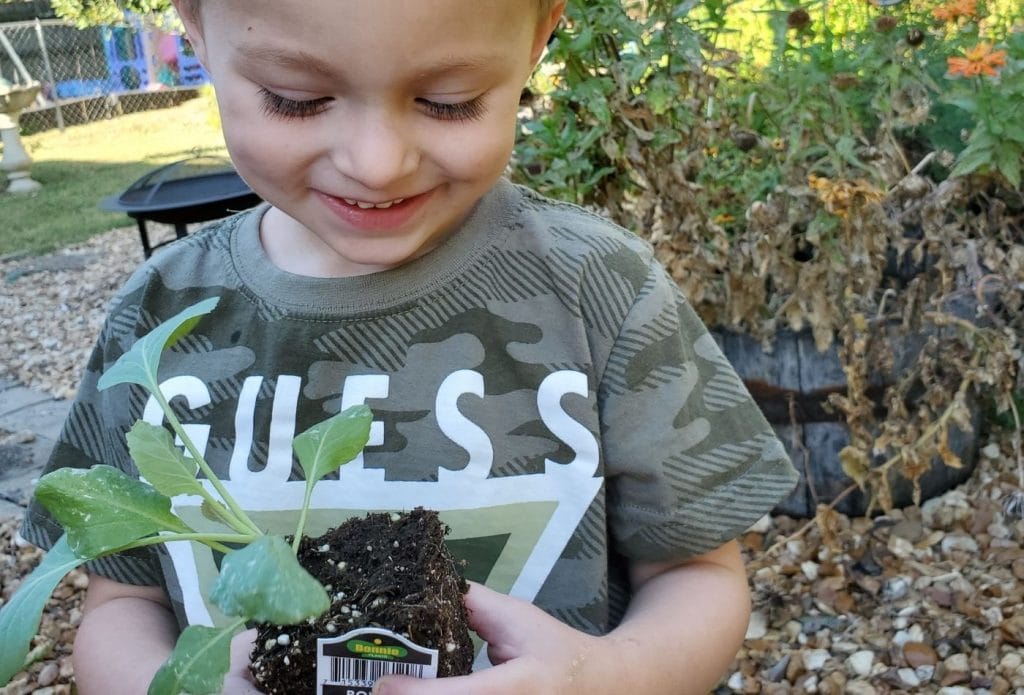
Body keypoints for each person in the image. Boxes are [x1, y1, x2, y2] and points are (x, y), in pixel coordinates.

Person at [21, 1, 799, 693]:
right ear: (193, 24)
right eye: (296, 99)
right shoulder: (160, 317)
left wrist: (601, 677)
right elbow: (122, 603)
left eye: (449, 103)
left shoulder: (601, 290)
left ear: (538, 36)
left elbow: (697, 573)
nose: (377, 161)